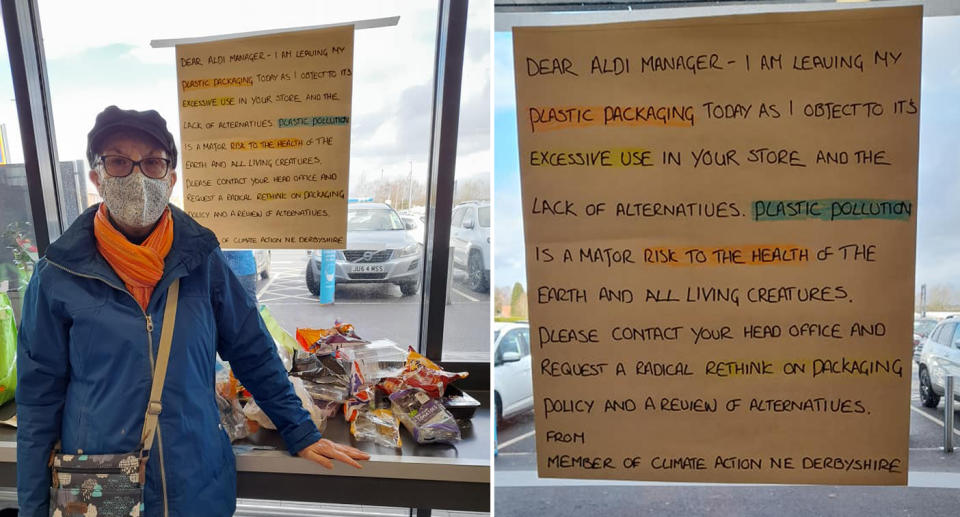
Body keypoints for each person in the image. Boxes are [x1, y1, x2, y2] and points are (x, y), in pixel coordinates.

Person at [15, 106, 369, 517]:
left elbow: (252, 351)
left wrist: (298, 429)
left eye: (152, 163)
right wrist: (32, 507)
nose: (137, 177)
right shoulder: (58, 274)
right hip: (97, 481)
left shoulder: (202, 263)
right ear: (97, 177)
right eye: (118, 162)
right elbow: (38, 400)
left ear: (170, 178)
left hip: (196, 480)